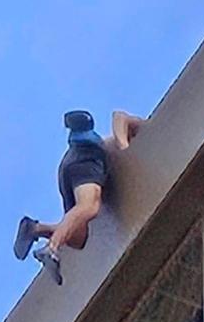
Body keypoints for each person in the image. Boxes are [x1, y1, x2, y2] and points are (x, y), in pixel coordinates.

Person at [13, 109, 144, 261]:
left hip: (72, 165)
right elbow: (118, 116)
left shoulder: (101, 143)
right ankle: (51, 249)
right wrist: (123, 145)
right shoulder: (135, 131)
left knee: (77, 238)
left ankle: (35, 229)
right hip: (86, 160)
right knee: (89, 206)